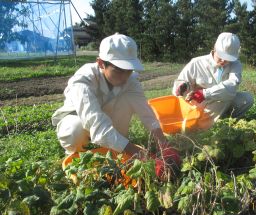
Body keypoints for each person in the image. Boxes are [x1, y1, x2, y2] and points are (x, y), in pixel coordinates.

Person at [52, 33, 180, 179]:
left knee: (126, 101)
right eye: (119, 70)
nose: (125, 76)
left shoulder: (130, 80)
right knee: (75, 130)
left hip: (106, 116)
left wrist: (164, 144)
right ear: (101, 63)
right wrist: (140, 154)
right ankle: (77, 153)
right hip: (78, 117)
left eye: (129, 70)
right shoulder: (83, 80)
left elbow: (145, 112)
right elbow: (96, 122)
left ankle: (116, 146)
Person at [173, 32, 253, 127]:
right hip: (199, 103)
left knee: (246, 99)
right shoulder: (197, 63)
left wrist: (205, 93)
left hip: (221, 100)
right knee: (222, 100)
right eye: (221, 56)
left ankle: (227, 122)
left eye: (228, 58)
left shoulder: (235, 65)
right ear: (215, 48)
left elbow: (232, 86)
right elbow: (181, 84)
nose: (224, 61)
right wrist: (182, 87)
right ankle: (202, 127)